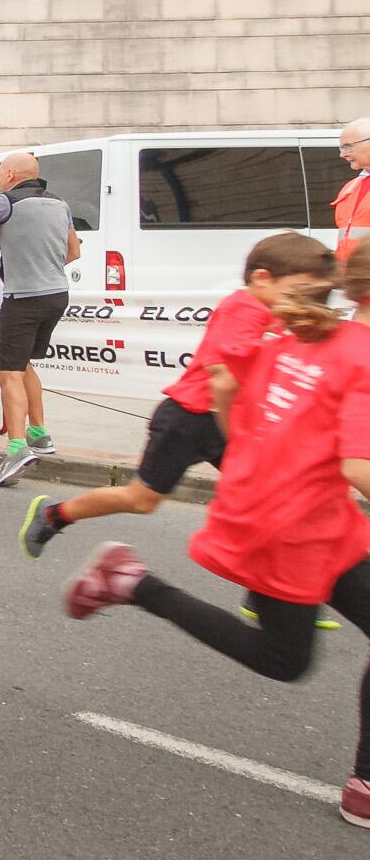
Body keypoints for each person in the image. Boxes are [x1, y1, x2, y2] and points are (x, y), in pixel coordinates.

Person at [64, 243, 370, 830]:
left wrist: (268, 452)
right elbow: (358, 465)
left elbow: (231, 397)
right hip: (289, 526)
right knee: (283, 661)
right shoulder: (346, 348)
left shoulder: (299, 336)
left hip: (308, 514)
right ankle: (131, 583)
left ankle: (366, 782)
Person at [21, 232, 337, 559]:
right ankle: (54, 515)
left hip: (224, 422)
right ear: (262, 278)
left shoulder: (276, 313)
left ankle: (269, 592)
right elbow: (223, 378)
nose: (304, 302)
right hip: (189, 419)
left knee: (270, 499)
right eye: (297, 292)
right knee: (141, 500)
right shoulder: (242, 308)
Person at [0, 151, 79, 486]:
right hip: (57, 294)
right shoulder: (59, 203)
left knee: (9, 373)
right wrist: (43, 269)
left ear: (10, 173)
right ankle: (39, 433)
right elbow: (74, 252)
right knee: (24, 363)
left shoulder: (4, 203)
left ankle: (17, 448)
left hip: (22, 298)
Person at [333, 118, 370, 267]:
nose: (343, 154)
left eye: (348, 147)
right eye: (341, 148)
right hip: (352, 280)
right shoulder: (351, 187)